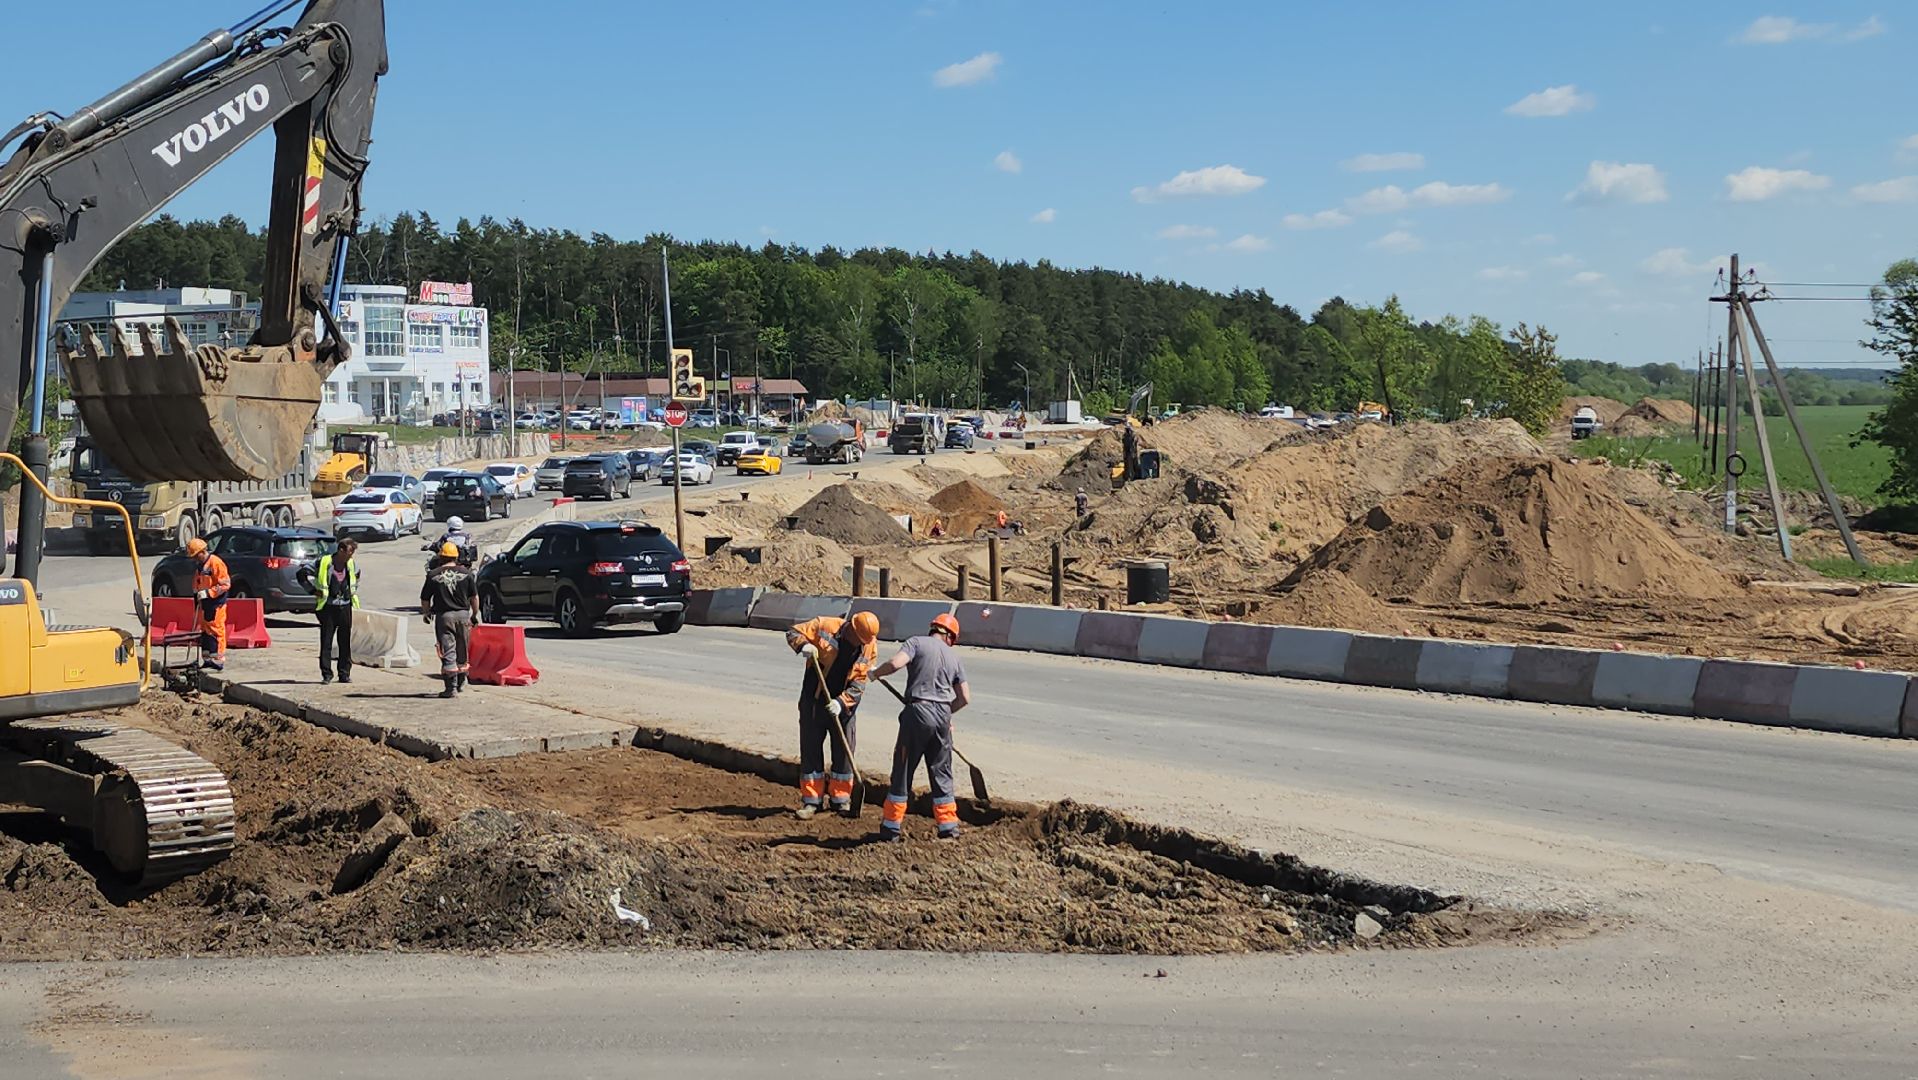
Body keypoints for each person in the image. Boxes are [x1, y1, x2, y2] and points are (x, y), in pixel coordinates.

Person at [868, 613, 970, 841]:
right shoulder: (955, 658)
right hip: (943, 716)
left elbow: (895, 664)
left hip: (917, 712)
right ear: (951, 637)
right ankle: (948, 828)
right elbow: (964, 698)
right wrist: (944, 716)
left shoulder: (916, 643)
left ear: (932, 628)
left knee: (903, 770)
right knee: (942, 772)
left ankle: (891, 828)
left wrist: (875, 673)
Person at [785, 611, 880, 818]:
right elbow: (792, 633)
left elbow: (859, 683)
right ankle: (811, 801)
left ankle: (840, 799)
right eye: (857, 639)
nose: (858, 644)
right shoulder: (825, 626)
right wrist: (803, 645)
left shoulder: (869, 645)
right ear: (851, 628)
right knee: (811, 748)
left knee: (844, 753)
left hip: (843, 706)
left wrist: (841, 702)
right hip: (815, 698)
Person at [420, 541, 478, 698]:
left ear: (441, 557)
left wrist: (426, 614)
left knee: (448, 649)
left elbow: (425, 599)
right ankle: (460, 683)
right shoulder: (467, 574)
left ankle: (450, 688)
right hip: (463, 615)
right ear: (456, 557)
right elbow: (474, 597)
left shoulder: (433, 575)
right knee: (462, 649)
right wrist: (474, 614)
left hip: (444, 616)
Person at [312, 537, 360, 684]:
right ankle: (327, 674)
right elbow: (302, 574)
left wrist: (349, 591)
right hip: (328, 608)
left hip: (345, 606)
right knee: (326, 641)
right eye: (349, 553)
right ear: (341, 550)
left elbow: (356, 577)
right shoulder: (325, 562)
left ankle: (344, 673)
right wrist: (313, 591)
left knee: (344, 641)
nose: (351, 556)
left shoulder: (351, 564)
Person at [186, 537, 231, 671]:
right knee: (205, 631)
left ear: (201, 552)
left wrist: (209, 593)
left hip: (216, 603)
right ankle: (207, 659)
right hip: (205, 604)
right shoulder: (200, 566)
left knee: (216, 630)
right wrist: (197, 595)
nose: (194, 559)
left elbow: (225, 584)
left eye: (195, 556)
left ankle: (218, 660)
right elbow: (197, 583)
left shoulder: (215, 563)